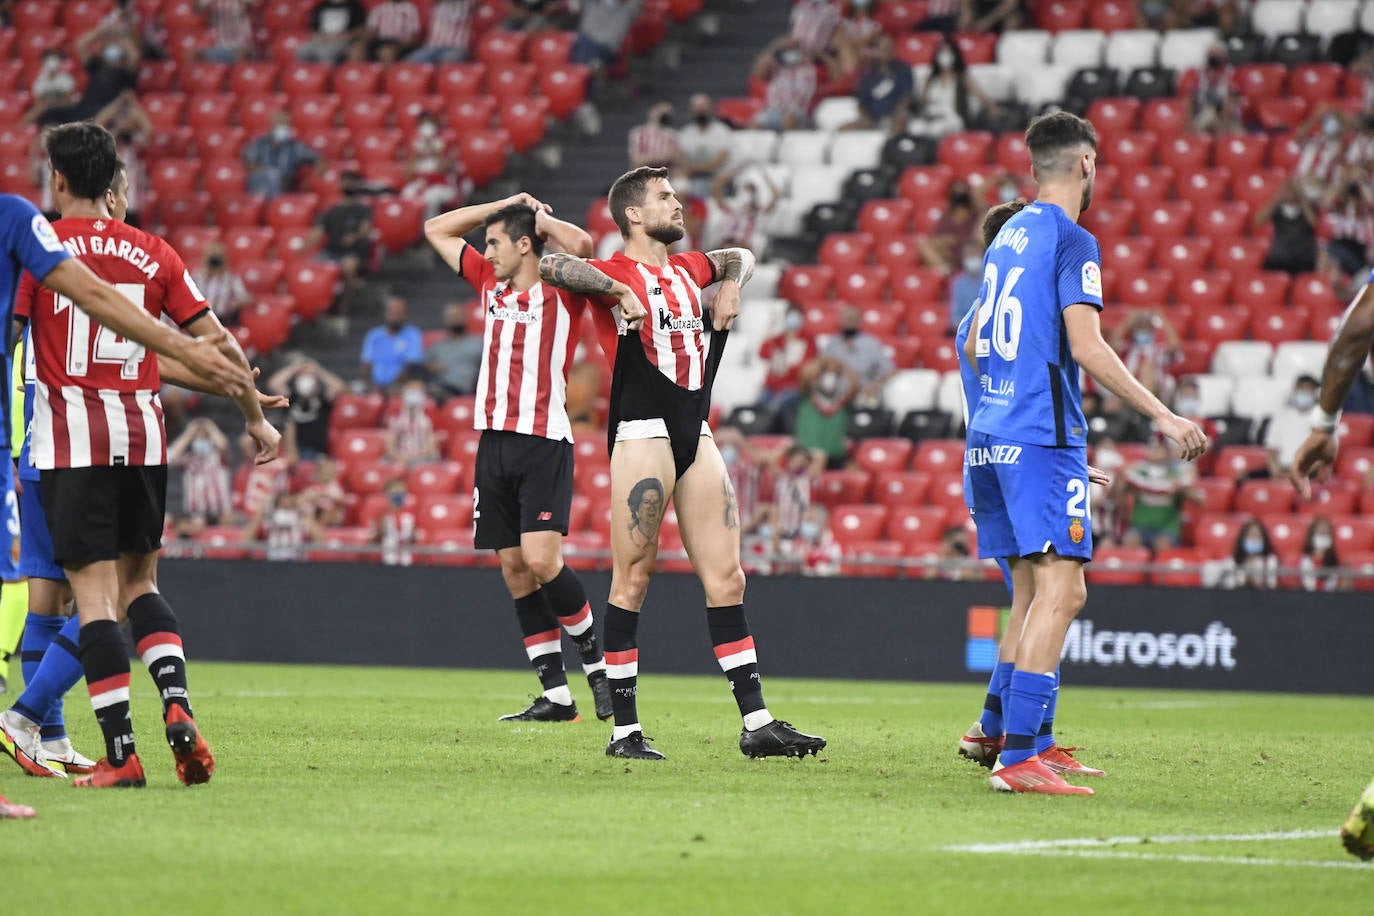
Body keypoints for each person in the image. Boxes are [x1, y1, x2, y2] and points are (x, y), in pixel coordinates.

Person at [0, 163, 280, 782]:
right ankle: (70, 717)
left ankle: (70, 736)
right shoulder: (152, 252)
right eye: (125, 189)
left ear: (58, 181)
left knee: (70, 599)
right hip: (134, 441)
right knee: (132, 588)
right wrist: (243, 401)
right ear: (111, 190)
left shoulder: (38, 245)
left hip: (58, 446)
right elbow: (182, 342)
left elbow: (23, 336)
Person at [538, 165, 826, 760]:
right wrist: (614, 292)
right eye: (664, 198)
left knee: (728, 578)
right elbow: (550, 266)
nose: (678, 205)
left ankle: (757, 723)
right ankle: (624, 732)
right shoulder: (613, 273)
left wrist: (733, 284)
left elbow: (739, 254)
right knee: (633, 578)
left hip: (695, 431)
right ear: (634, 216)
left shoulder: (688, 267)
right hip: (641, 432)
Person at [962, 112, 1207, 794]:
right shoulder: (1073, 240)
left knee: (1034, 591)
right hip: (1037, 433)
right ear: (1089, 164)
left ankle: (1016, 738)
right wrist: (1160, 413)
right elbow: (1089, 345)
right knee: (1063, 590)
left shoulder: (1005, 235)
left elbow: (978, 344)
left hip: (995, 430)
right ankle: (1017, 760)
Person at [425, 193, 614, 723]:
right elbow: (435, 229)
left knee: (541, 559)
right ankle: (556, 695)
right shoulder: (490, 284)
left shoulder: (561, 288)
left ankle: (596, 668)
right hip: (493, 441)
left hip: (543, 440)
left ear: (525, 245)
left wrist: (541, 217)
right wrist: (501, 207)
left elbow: (583, 244)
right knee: (513, 567)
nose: (486, 251)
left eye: (495, 242)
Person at [1115, 435, 1197, 551]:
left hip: (1167, 527)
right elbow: (1116, 495)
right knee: (1130, 541)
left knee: (1163, 543)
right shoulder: (1137, 471)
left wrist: (1183, 488)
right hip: (1139, 526)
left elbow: (1199, 499)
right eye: (1153, 448)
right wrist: (1120, 478)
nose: (1155, 451)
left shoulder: (1177, 475)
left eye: (1160, 448)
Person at [910, 36, 998, 138]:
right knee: (916, 128)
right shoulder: (931, 79)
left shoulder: (962, 77)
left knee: (937, 130)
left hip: (953, 118)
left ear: (954, 55)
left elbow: (980, 95)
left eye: (948, 52)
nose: (945, 55)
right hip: (933, 115)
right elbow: (922, 101)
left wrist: (992, 108)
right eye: (942, 52)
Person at [268, 357, 344, 459]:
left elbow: (339, 387)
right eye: (303, 376)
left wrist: (318, 371)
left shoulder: (322, 399)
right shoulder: (290, 397)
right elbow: (273, 384)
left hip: (315, 451)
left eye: (309, 376)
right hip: (289, 450)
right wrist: (295, 368)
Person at [821, 304, 894, 410]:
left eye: (853, 318)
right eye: (847, 318)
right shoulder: (832, 344)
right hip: (835, 396)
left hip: (863, 394)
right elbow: (820, 368)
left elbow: (890, 370)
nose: (850, 321)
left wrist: (875, 385)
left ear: (860, 321)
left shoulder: (871, 343)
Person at [169, 417, 233, 526]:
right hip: (197, 515)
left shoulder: (218, 457)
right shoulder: (188, 459)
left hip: (221, 513)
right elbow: (171, 456)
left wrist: (209, 426)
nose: (201, 440)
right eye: (198, 438)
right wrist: (189, 433)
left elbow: (224, 445)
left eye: (205, 437)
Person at [316, 170, 375, 289]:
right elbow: (318, 232)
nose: (347, 185)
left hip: (353, 253)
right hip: (330, 252)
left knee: (348, 266)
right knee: (313, 265)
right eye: (345, 181)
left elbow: (365, 230)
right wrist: (301, 248)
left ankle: (346, 304)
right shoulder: (332, 210)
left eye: (351, 182)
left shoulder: (362, 209)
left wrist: (355, 236)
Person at [1108, 308, 1181, 402]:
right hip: (1128, 394)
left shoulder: (1158, 350)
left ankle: (1146, 402)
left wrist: (1163, 320)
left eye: (1145, 327)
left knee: (1146, 367)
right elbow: (1112, 345)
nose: (1142, 330)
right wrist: (1127, 321)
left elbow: (1175, 346)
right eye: (1139, 327)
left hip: (1156, 394)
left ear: (1151, 330)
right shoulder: (1128, 349)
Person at [845, 35, 913, 135]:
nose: (886, 52)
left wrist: (898, 113)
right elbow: (862, 102)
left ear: (894, 50)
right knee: (844, 129)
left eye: (888, 49)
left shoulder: (903, 70)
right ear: (877, 52)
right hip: (873, 119)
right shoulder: (869, 74)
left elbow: (907, 96)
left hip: (895, 116)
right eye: (882, 49)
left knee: (898, 123)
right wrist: (866, 118)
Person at [757, 304, 817, 414]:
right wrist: (769, 331)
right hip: (773, 386)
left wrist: (789, 369)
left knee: (778, 405)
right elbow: (763, 353)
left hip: (794, 386)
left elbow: (808, 364)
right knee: (760, 403)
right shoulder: (778, 339)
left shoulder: (808, 339)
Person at [243, 112, 319, 198]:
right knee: (260, 177)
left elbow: (318, 159)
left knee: (275, 178)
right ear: (272, 126)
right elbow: (249, 161)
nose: (283, 128)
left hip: (285, 185)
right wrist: (268, 173)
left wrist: (311, 179)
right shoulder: (259, 143)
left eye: (286, 125)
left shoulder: (295, 146)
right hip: (261, 181)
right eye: (280, 125)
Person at [751, 38, 819, 132]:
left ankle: (790, 145)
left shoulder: (810, 69)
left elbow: (838, 77)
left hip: (802, 113)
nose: (790, 53)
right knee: (754, 124)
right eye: (787, 50)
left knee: (789, 119)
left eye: (794, 49)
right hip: (774, 112)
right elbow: (759, 72)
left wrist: (815, 55)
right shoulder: (775, 68)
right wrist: (774, 49)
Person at [361, 296, 424, 390]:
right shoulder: (374, 335)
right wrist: (371, 386)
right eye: (392, 312)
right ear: (386, 313)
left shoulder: (412, 334)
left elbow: (411, 365)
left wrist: (394, 385)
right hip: (375, 385)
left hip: (401, 385)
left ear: (405, 314)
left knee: (415, 388)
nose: (395, 316)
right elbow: (367, 364)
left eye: (398, 313)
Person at [1257, 179, 1319, 275]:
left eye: (1292, 189)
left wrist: (1302, 199)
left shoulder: (1309, 207)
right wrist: (1277, 199)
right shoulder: (1277, 209)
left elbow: (1314, 223)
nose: (1290, 192)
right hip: (1279, 259)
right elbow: (1258, 221)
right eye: (1287, 189)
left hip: (1303, 260)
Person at [1264, 374, 1322, 477]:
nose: (1304, 394)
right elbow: (1272, 452)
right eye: (1301, 390)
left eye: (1308, 390)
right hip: (1282, 469)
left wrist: (1297, 475)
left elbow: (1321, 459)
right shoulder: (1281, 416)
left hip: (1308, 473)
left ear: (1314, 393)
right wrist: (1277, 473)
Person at [1178, 43, 1242, 134]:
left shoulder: (1231, 74)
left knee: (1238, 134)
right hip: (1205, 113)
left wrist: (1224, 125)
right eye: (1212, 54)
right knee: (1208, 116)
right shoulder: (1198, 74)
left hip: (1227, 117)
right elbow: (1190, 99)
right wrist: (1190, 123)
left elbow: (1231, 100)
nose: (1214, 57)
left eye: (1217, 54)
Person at [677, 94, 732, 200]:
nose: (701, 112)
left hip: (718, 178)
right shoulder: (686, 133)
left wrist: (693, 169)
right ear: (692, 111)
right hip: (693, 177)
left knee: (697, 189)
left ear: (711, 109)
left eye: (703, 108)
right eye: (698, 109)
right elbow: (681, 159)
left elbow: (719, 161)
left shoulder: (721, 131)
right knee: (676, 186)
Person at [918, 180, 979, 271]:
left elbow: (977, 238)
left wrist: (955, 240)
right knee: (924, 244)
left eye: (962, 193)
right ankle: (945, 270)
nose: (959, 196)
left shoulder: (975, 215)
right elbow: (937, 237)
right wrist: (945, 243)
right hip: (948, 254)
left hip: (969, 251)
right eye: (956, 193)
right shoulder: (946, 217)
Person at [425, 303, 483, 398]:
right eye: (452, 316)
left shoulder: (476, 344)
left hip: (462, 388)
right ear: (446, 320)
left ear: (465, 319)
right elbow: (425, 364)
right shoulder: (438, 345)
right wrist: (431, 367)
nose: (456, 320)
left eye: (458, 316)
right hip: (438, 384)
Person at [569, 0, 644, 70]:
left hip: (599, 48)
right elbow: (574, 7)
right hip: (590, 44)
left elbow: (574, 8)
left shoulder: (629, 8)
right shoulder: (630, 7)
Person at [193, 241, 252, 326]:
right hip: (199, 320)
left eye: (218, 257)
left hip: (222, 321)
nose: (214, 260)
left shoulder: (232, 280)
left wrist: (233, 303)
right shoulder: (197, 278)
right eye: (212, 257)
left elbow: (246, 298)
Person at [386, 380, 439, 465]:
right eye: (411, 392)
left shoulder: (428, 418)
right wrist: (400, 457)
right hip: (400, 456)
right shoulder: (396, 418)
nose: (413, 395)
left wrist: (415, 456)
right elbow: (390, 444)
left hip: (421, 457)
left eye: (416, 392)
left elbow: (431, 444)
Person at [296, 0, 368, 63]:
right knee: (302, 50)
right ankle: (304, 76)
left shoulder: (355, 6)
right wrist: (319, 36)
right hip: (321, 40)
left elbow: (360, 29)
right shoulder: (321, 6)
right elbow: (314, 28)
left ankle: (325, 76)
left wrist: (347, 36)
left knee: (325, 52)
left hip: (342, 40)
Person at [1216, 519, 1278, 588]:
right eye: (1251, 535)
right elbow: (1229, 586)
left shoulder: (1270, 561)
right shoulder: (1232, 561)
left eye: (1257, 536)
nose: (1254, 539)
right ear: (1243, 539)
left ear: (1264, 539)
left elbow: (1271, 586)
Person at [407, 0, 473, 63]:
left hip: (455, 48)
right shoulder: (437, 5)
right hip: (431, 47)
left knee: (449, 60)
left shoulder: (466, 5)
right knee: (409, 63)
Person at [628, 101, 681, 171]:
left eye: (666, 114)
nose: (663, 116)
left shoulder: (672, 135)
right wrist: (663, 157)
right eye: (661, 112)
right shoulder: (639, 134)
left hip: (666, 175)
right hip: (643, 174)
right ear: (652, 111)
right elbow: (637, 160)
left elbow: (678, 159)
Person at [1299, 515, 1341, 592]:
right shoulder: (1305, 560)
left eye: (1326, 531)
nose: (1323, 532)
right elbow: (1307, 583)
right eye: (1320, 530)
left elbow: (1333, 584)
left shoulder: (1335, 560)